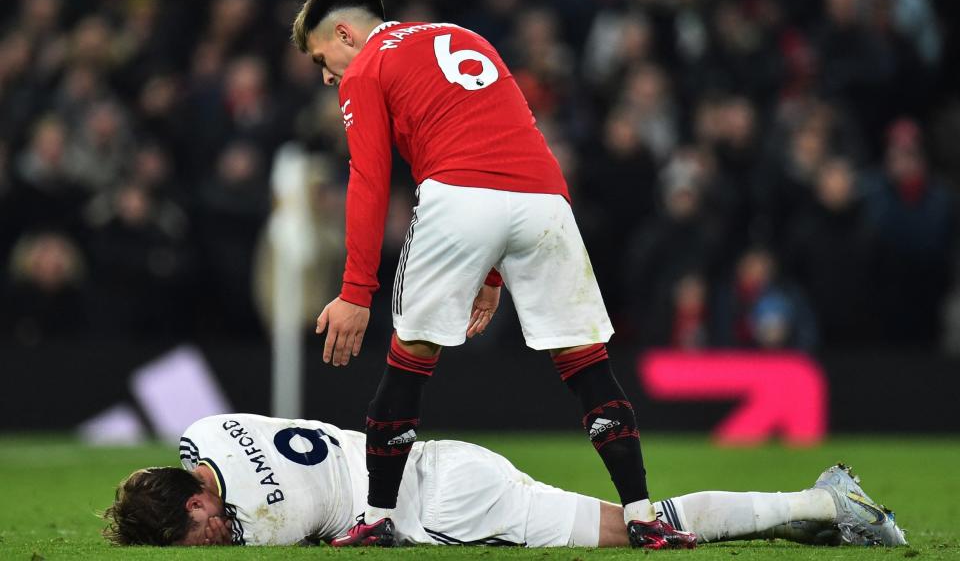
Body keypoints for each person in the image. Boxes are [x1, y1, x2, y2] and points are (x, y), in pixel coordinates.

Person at [289, 0, 675, 548]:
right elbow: (505, 133)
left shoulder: (367, 68)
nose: (325, 76)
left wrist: (354, 291)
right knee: (587, 361)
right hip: (545, 196)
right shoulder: (465, 35)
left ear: (346, 33)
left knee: (410, 356)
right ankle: (643, 514)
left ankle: (377, 517)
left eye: (323, 58)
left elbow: (369, 179)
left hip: (458, 194)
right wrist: (493, 271)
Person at [101, 413, 907, 548]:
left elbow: (256, 527)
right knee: (639, 527)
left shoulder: (270, 520)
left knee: (642, 533)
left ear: (201, 500)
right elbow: (190, 445)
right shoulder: (208, 436)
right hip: (443, 463)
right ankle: (809, 511)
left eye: (194, 532)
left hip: (445, 503)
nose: (205, 543)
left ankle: (827, 501)